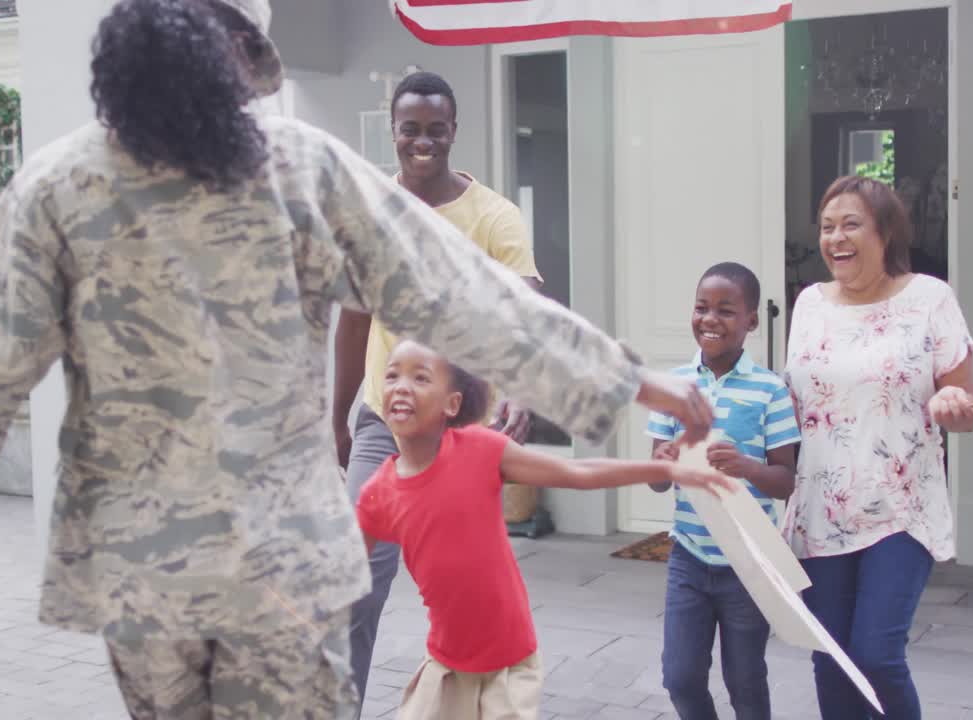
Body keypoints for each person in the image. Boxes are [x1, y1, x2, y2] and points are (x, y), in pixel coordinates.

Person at [0, 1, 717, 717]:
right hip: (278, 563)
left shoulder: (57, 187)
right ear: (235, 70)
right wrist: (634, 380)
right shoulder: (293, 170)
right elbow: (462, 294)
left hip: (140, 574)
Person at [355, 340, 735, 720]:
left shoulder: (480, 450)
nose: (401, 386)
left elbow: (577, 472)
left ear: (451, 405)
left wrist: (662, 469)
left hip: (508, 667)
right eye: (392, 376)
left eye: (420, 378)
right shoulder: (377, 494)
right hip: (446, 667)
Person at [332, 70, 542, 703]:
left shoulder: (493, 217)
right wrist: (334, 419)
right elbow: (354, 319)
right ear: (394, 133)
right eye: (410, 130)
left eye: (435, 131)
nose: (422, 142)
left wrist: (522, 389)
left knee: (463, 592)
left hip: (460, 431)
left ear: (453, 132)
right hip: (382, 423)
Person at [783, 176, 973, 720]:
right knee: (831, 659)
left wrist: (952, 404)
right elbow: (797, 406)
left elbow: (964, 402)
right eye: (826, 227)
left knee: (874, 654)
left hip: (901, 509)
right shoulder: (809, 305)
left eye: (851, 224)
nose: (835, 238)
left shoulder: (930, 299)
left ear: (885, 232)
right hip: (821, 510)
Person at [645, 262, 800, 720]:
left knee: (745, 680)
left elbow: (786, 481)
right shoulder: (672, 387)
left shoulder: (770, 390)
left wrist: (747, 466)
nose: (710, 319)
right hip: (689, 558)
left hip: (749, 561)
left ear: (751, 321)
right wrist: (667, 457)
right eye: (701, 308)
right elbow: (655, 480)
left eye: (726, 310)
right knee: (680, 677)